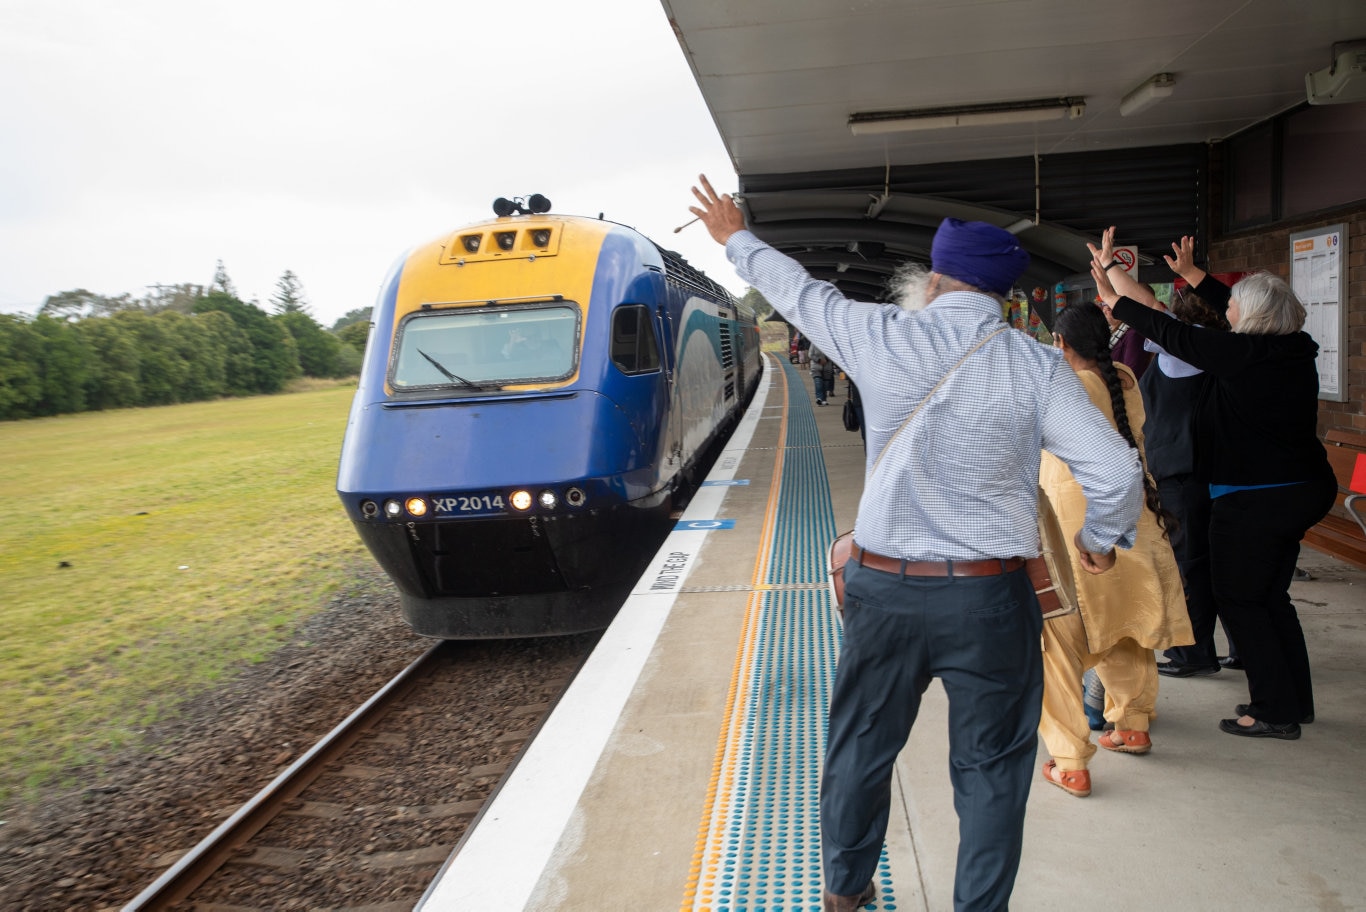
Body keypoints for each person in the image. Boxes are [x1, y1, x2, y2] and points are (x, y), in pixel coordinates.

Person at [689, 175, 1143, 912]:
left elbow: (799, 293)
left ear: (934, 281)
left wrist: (733, 234)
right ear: (1001, 296)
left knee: (862, 745)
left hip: (886, 590)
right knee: (993, 767)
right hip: (991, 597)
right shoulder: (1036, 365)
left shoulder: (880, 334)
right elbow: (1115, 468)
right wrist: (1098, 540)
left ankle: (844, 890)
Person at [1093, 236, 1337, 739]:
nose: (1231, 313)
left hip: (1257, 497)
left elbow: (1171, 329)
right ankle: (1294, 701)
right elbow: (1223, 307)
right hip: (1300, 487)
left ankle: (1273, 710)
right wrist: (1193, 274)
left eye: (1238, 308)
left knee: (1242, 598)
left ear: (1254, 318)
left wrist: (1115, 301)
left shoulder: (1243, 354)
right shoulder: (1290, 347)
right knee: (1270, 598)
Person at [1037, 304, 1193, 798]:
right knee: (1127, 627)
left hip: (1078, 526)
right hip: (1136, 520)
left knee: (1056, 642)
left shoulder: (1063, 389)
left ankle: (1070, 761)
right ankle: (1132, 725)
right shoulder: (1123, 379)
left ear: (1060, 345)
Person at [1090, 228, 1232, 678]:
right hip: (1204, 465)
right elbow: (1148, 307)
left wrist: (1112, 272)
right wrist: (1111, 280)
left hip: (1184, 468)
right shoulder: (1221, 350)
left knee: (1191, 561)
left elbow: (1148, 307)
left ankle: (1194, 652)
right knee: (1216, 562)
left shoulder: (1188, 351)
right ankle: (1237, 648)